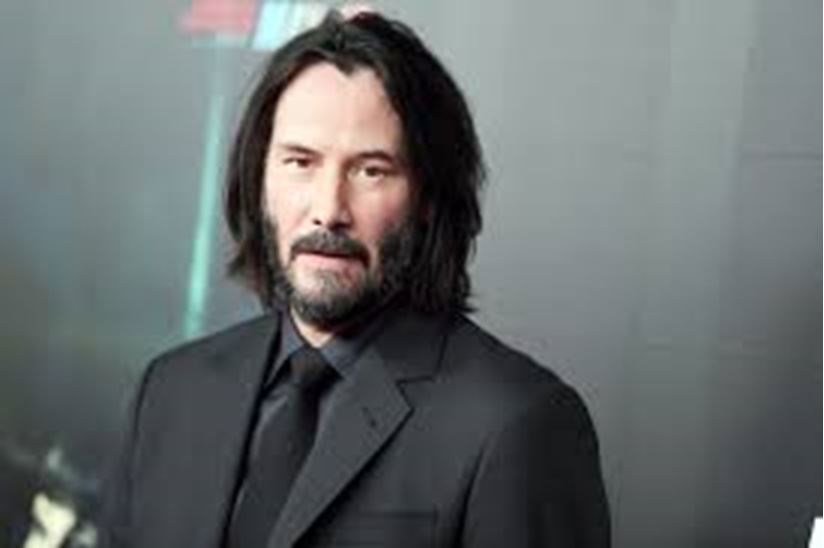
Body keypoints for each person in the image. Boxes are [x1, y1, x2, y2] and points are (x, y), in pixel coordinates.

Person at [100, 10, 610, 548]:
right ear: (259, 178)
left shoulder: (517, 424)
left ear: (428, 199)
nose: (328, 210)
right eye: (301, 162)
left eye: (371, 171)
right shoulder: (171, 392)